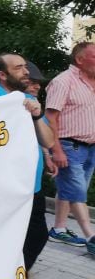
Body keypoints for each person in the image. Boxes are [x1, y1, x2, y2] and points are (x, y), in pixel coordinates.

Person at [0, 53, 52, 279]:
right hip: (6, 187)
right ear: (3, 75)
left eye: (26, 66)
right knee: (12, 239)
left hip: (31, 185)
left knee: (36, 236)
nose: (26, 72)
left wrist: (37, 116)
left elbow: (47, 140)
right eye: (19, 68)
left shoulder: (29, 100)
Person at [46, 42, 95, 247]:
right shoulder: (63, 82)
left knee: (69, 189)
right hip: (69, 146)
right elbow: (50, 117)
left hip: (90, 147)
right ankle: (91, 237)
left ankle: (58, 228)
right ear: (80, 60)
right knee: (77, 192)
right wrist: (55, 149)